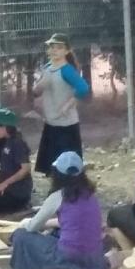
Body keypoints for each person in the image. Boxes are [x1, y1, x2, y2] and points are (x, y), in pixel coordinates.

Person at [10, 151, 109, 269]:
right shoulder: (90, 194)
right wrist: (49, 224)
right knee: (55, 233)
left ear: (57, 174)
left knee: (20, 236)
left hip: (69, 255)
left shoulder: (58, 196)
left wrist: (25, 223)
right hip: (94, 255)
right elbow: (76, 222)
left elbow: (32, 227)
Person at [34, 33, 91, 176]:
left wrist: (68, 105)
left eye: (59, 47)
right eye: (52, 47)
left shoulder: (66, 70)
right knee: (51, 168)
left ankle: (70, 187)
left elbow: (83, 88)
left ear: (67, 51)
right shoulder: (47, 68)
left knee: (68, 169)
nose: (54, 50)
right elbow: (37, 90)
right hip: (51, 123)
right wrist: (39, 87)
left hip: (66, 125)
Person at [0, 108, 33, 215]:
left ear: (5, 127)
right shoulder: (5, 140)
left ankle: (23, 205)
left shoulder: (18, 143)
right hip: (6, 186)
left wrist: (5, 183)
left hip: (17, 190)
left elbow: (25, 169)